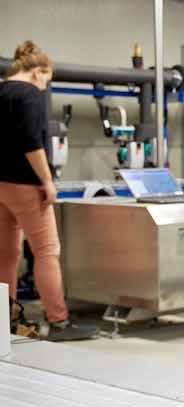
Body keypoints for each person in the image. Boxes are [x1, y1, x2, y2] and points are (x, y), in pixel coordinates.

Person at [1, 41, 98, 341]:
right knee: (46, 251)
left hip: (0, 185)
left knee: (6, 253)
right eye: (47, 80)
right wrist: (47, 180)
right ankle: (58, 322)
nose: (45, 87)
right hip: (26, 185)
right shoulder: (30, 94)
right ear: (37, 72)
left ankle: (5, 318)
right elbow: (32, 143)